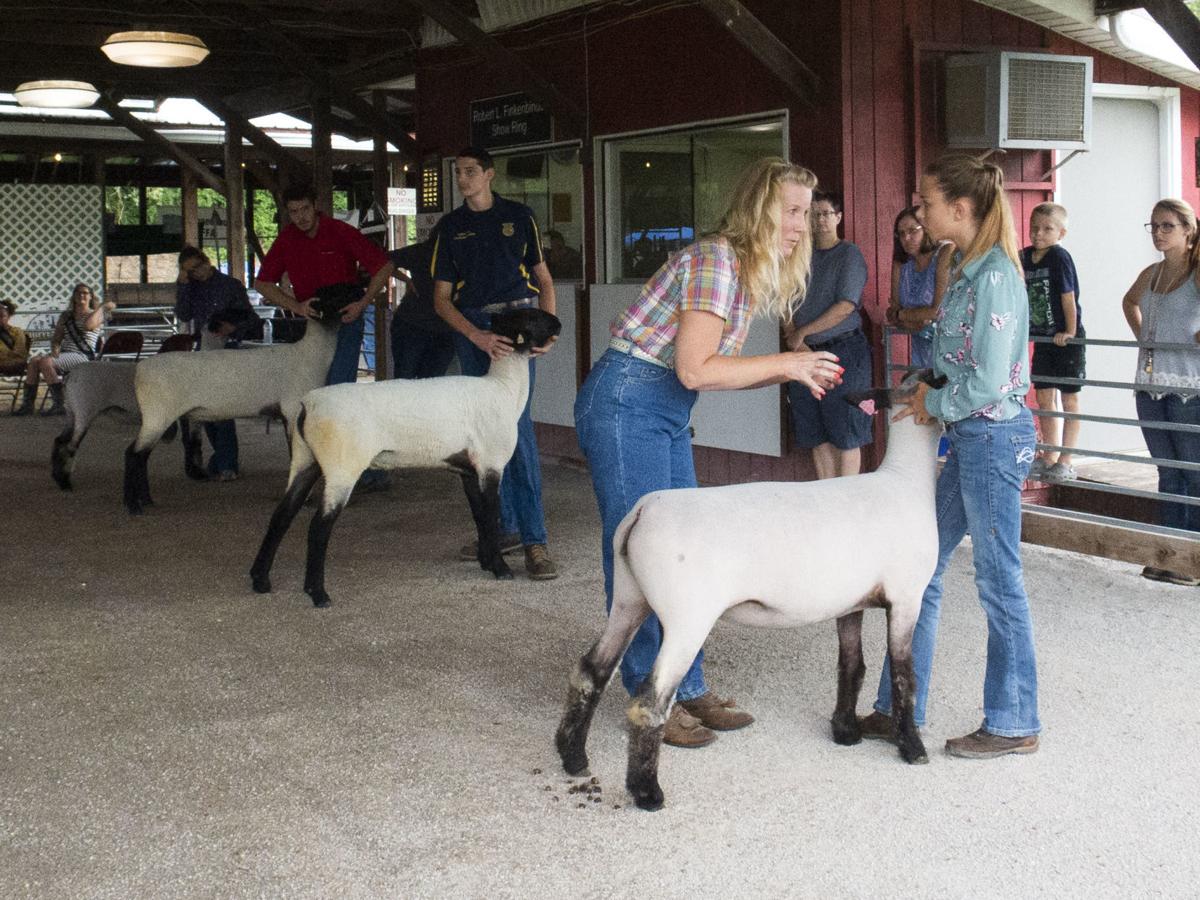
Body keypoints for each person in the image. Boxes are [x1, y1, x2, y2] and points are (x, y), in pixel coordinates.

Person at [573, 158, 842, 748]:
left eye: (805, 212)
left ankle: (687, 683)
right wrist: (789, 365)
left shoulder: (738, 266)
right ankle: (651, 696)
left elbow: (701, 376)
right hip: (628, 403)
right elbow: (696, 369)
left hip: (661, 407)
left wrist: (788, 371)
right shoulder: (717, 261)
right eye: (791, 211)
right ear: (759, 208)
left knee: (683, 551)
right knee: (645, 556)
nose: (801, 225)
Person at [860, 153, 1040, 759]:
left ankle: (1014, 722)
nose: (918, 210)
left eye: (926, 201)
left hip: (991, 437)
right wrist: (926, 384)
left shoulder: (994, 277)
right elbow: (960, 362)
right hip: (969, 435)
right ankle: (898, 707)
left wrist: (934, 403)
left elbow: (989, 382)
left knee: (998, 580)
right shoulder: (964, 267)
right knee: (923, 567)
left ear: (959, 209)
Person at [432, 146, 559, 581]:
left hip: (519, 322)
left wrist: (550, 330)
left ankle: (535, 539)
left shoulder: (520, 216)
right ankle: (500, 530)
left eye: (470, 171)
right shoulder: (450, 227)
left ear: (489, 174)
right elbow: (442, 299)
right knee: (481, 435)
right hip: (475, 327)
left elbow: (542, 278)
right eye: (458, 171)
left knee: (516, 431)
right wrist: (475, 336)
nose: (463, 179)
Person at [254, 183, 394, 491]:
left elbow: (383, 267)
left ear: (315, 205)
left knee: (336, 393)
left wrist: (363, 302)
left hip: (346, 316)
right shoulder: (287, 239)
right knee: (314, 395)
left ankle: (351, 471)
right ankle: (352, 467)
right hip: (315, 322)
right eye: (293, 212)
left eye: (304, 209)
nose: (300, 217)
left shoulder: (339, 231)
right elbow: (262, 283)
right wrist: (295, 306)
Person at [1122, 198, 1200, 586]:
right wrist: (1144, 340)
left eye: (1167, 226)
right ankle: (1169, 554)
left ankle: (1192, 558)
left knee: (1192, 472)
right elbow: (1129, 301)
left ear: (1188, 230)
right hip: (1150, 384)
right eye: (1153, 226)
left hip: (1189, 386)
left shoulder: (1197, 272)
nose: (1158, 232)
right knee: (1168, 472)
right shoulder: (1151, 274)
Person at [784, 191, 873, 481]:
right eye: (814, 214)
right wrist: (793, 338)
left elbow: (845, 306)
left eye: (826, 214)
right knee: (814, 430)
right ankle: (826, 493)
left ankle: (845, 501)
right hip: (805, 354)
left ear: (838, 218)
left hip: (843, 349)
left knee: (846, 429)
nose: (820, 220)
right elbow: (783, 300)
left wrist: (803, 331)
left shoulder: (849, 254)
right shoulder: (798, 257)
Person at [175, 245, 258, 481]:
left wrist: (234, 328)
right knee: (205, 408)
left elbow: (251, 318)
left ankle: (227, 463)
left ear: (206, 261)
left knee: (222, 407)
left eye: (198, 267)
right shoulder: (191, 288)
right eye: (191, 271)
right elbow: (183, 315)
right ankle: (222, 459)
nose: (197, 273)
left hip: (228, 347)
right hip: (205, 350)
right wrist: (182, 286)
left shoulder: (230, 285)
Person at [1023, 202, 1085, 483]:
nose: (1038, 234)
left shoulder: (1060, 257)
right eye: (1034, 227)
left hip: (1064, 337)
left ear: (1061, 232)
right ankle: (1048, 453)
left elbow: (1067, 296)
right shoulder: (1026, 257)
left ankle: (1066, 458)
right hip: (1042, 336)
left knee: (1070, 398)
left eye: (1047, 229)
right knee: (1045, 395)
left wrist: (1069, 330)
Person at [13, 283, 114, 416]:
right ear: (73, 296)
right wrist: (55, 348)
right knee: (34, 361)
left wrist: (102, 307)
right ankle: (28, 405)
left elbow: (89, 325)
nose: (81, 295)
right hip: (65, 353)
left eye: (85, 292)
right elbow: (56, 338)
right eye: (78, 292)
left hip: (83, 355)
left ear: (91, 296)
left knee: (46, 362)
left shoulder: (96, 314)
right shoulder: (66, 316)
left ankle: (60, 405)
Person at [886, 206, 952, 369]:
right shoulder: (901, 263)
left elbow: (938, 311)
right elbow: (892, 313)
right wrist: (916, 318)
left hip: (950, 351)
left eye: (912, 231)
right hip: (920, 355)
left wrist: (903, 314)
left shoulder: (945, 252)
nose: (906, 238)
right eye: (901, 234)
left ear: (926, 229)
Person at [388, 235, 455, 380]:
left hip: (443, 327)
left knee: (429, 381)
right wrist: (406, 279)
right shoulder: (423, 251)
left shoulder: (460, 252)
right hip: (413, 323)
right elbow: (384, 261)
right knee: (406, 378)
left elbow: (386, 261)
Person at [0, 300, 31, 376]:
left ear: (9, 316)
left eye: (2, 316)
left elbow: (20, 353)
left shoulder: (17, 332)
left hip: (13, 364)